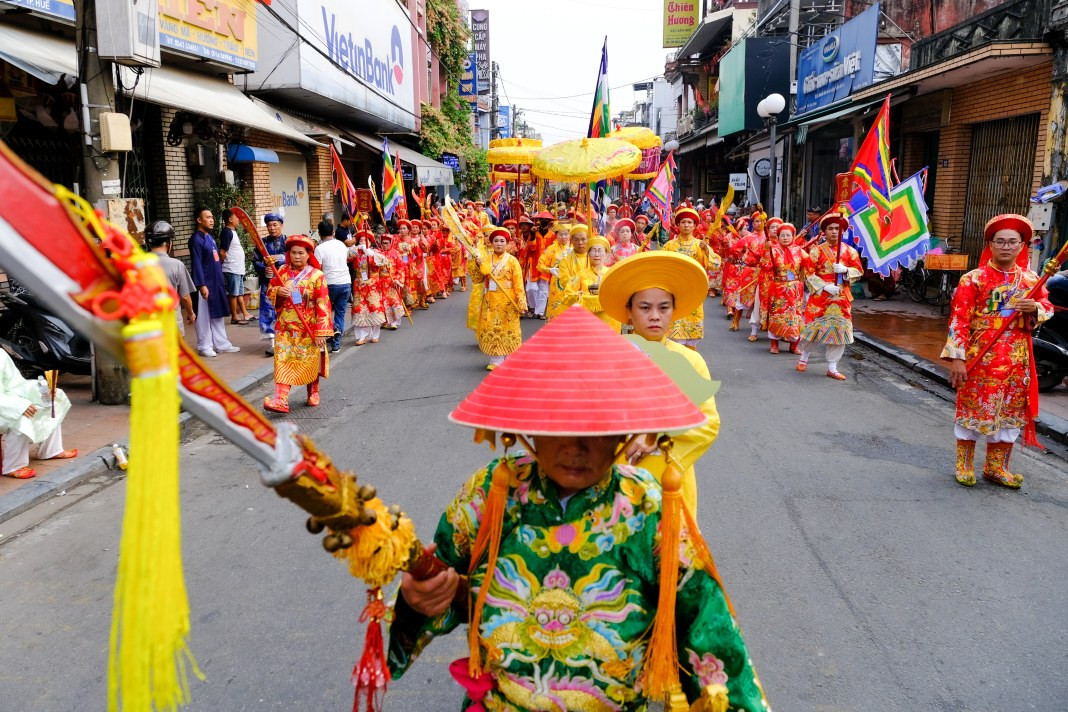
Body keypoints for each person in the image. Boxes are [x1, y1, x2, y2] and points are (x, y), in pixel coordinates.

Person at [388, 307, 767, 712]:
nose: (575, 447)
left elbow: (705, 621)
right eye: (557, 426)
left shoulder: (646, 505)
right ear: (528, 428)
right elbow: (442, 582)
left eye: (596, 430)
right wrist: (419, 600)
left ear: (624, 432)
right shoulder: (490, 494)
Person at [599, 251, 720, 513]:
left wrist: (657, 436)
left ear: (674, 312)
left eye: (663, 307)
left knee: (665, 548)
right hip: (614, 476)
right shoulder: (606, 358)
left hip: (668, 477)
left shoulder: (689, 361)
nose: (655, 316)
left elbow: (707, 422)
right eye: (644, 307)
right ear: (628, 312)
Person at [943, 213, 1053, 488]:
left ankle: (996, 468)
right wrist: (957, 359)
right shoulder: (972, 279)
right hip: (980, 358)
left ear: (1021, 246)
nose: (1006, 246)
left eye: (1012, 242)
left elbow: (1047, 308)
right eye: (1000, 241)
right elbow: (959, 320)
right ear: (990, 244)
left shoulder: (1031, 280)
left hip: (1018, 360)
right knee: (974, 411)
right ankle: (964, 464)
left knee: (1010, 415)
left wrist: (1035, 309)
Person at [262, 235, 332, 414]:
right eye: (293, 253)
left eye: (301, 253)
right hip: (285, 328)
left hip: (308, 328)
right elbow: (270, 291)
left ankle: (313, 390)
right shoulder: (282, 272)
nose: (297, 256)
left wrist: (322, 332)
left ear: (309, 254)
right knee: (283, 361)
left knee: (309, 361)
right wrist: (279, 291)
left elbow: (323, 303)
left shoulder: (317, 276)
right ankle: (281, 400)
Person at [797, 213, 863, 380]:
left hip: (841, 297)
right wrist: (825, 286)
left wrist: (846, 271)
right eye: (831, 229)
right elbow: (807, 273)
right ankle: (804, 357)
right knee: (812, 329)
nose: (834, 232)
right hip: (821, 296)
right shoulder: (816, 251)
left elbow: (859, 272)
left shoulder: (850, 252)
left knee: (838, 332)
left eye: (837, 229)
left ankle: (832, 367)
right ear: (824, 232)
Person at [0, 349, 76, 479]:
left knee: (51, 401)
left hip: (7, 401)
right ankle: (13, 466)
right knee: (22, 417)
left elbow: (16, 384)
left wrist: (41, 389)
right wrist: (18, 406)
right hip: (5, 406)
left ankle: (51, 450)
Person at [662, 206, 721, 349]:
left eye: (689, 222)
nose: (686, 225)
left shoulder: (700, 245)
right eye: (683, 222)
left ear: (695, 226)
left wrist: (706, 250)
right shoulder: (670, 246)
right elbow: (662, 266)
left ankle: (691, 360)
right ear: (678, 225)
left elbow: (716, 265)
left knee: (692, 326)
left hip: (694, 290)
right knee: (674, 325)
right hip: (674, 290)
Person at [189, 207, 239, 358]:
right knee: (204, 316)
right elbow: (196, 263)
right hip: (205, 284)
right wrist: (201, 285)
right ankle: (204, 346)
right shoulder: (196, 239)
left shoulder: (209, 238)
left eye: (212, 217)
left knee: (217, 314)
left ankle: (221, 343)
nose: (212, 220)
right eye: (208, 217)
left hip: (216, 282)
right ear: (199, 220)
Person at [475, 227, 527, 370]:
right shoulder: (485, 259)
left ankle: (510, 359)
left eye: (502, 241)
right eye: (496, 241)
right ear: (491, 243)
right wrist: (476, 264)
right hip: (490, 299)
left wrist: (521, 302)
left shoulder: (512, 261)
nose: (499, 244)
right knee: (492, 328)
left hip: (508, 300)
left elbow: (518, 283)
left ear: (507, 243)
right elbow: (477, 279)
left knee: (509, 328)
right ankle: (496, 360)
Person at [760, 222, 807, 354]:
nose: (785, 238)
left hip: (795, 289)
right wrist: (765, 250)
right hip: (778, 288)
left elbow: (809, 265)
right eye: (782, 235)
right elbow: (765, 266)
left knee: (795, 316)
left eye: (788, 235)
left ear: (793, 237)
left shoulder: (799, 251)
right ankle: (774, 344)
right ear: (778, 237)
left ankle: (794, 345)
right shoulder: (773, 250)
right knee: (777, 315)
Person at [144, 220, 196, 332]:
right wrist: (191, 313)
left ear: (148, 243)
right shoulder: (177, 265)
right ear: (169, 243)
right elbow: (185, 297)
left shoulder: (137, 265)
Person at [313, 220, 351, 353]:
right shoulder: (341, 244)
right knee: (340, 314)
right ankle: (336, 344)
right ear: (333, 232)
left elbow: (317, 269)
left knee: (325, 312)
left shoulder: (319, 249)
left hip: (329, 284)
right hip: (345, 281)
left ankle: (329, 334)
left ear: (319, 233)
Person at [253, 213, 288, 356]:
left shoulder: (288, 241)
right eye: (269, 225)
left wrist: (280, 259)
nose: (272, 228)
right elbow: (255, 260)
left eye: (275, 225)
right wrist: (263, 268)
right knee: (268, 310)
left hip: (285, 281)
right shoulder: (262, 244)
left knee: (285, 309)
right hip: (268, 283)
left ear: (281, 225)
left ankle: (286, 340)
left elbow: (295, 257)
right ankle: (273, 343)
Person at [349, 229, 387, 346]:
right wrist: (353, 249)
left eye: (365, 240)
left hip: (373, 285)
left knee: (374, 308)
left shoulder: (375, 253)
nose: (362, 242)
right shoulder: (356, 253)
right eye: (360, 240)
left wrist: (370, 253)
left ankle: (375, 335)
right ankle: (362, 336)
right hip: (359, 285)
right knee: (359, 309)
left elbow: (384, 261)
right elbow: (346, 257)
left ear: (370, 242)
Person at [219, 209, 251, 325]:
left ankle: (245, 314)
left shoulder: (233, 231)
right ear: (230, 219)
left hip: (238, 268)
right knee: (234, 293)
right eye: (236, 217)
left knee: (240, 293)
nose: (238, 219)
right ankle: (234, 316)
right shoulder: (226, 232)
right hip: (231, 268)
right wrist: (220, 264)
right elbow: (222, 252)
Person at [542, 222, 580, 320]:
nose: (564, 237)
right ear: (556, 235)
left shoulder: (576, 248)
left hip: (573, 282)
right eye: (561, 234)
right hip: (556, 285)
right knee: (556, 308)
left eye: (566, 234)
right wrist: (550, 269)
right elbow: (540, 265)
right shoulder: (551, 249)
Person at [523, 210, 555, 318]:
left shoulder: (553, 235)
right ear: (539, 221)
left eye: (546, 220)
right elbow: (531, 248)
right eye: (542, 219)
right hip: (534, 263)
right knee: (531, 288)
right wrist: (532, 236)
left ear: (550, 221)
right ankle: (533, 307)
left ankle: (540, 312)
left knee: (544, 288)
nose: (544, 221)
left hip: (547, 264)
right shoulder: (533, 233)